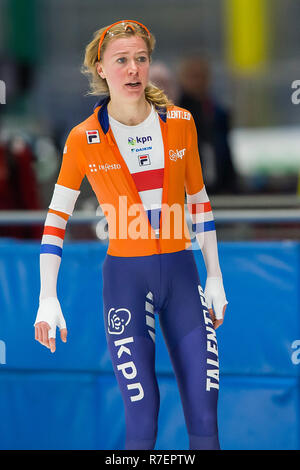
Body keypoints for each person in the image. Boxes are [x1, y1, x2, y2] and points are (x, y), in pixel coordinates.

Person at [34, 20, 228, 451]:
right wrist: (48, 299)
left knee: (204, 411)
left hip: (183, 274)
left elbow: (199, 202)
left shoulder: (181, 122)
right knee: (142, 417)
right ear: (101, 68)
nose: (133, 69)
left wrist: (214, 277)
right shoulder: (83, 138)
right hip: (125, 281)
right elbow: (55, 219)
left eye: (141, 59)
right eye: (121, 60)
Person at [178, 56, 238, 194]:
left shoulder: (218, 113)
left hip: (219, 188)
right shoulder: (176, 114)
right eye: (193, 76)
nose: (198, 82)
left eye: (202, 76)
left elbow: (226, 153)